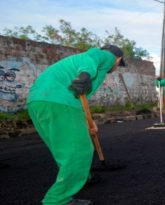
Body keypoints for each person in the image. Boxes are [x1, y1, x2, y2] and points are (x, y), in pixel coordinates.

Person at [27, 45, 126, 205]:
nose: (115, 68)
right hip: (59, 101)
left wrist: (88, 121)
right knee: (80, 151)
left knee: (65, 149)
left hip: (39, 101)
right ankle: (57, 200)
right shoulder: (104, 57)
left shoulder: (75, 63)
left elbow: (81, 99)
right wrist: (85, 74)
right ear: (118, 59)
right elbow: (93, 57)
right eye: (118, 65)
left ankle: (82, 177)